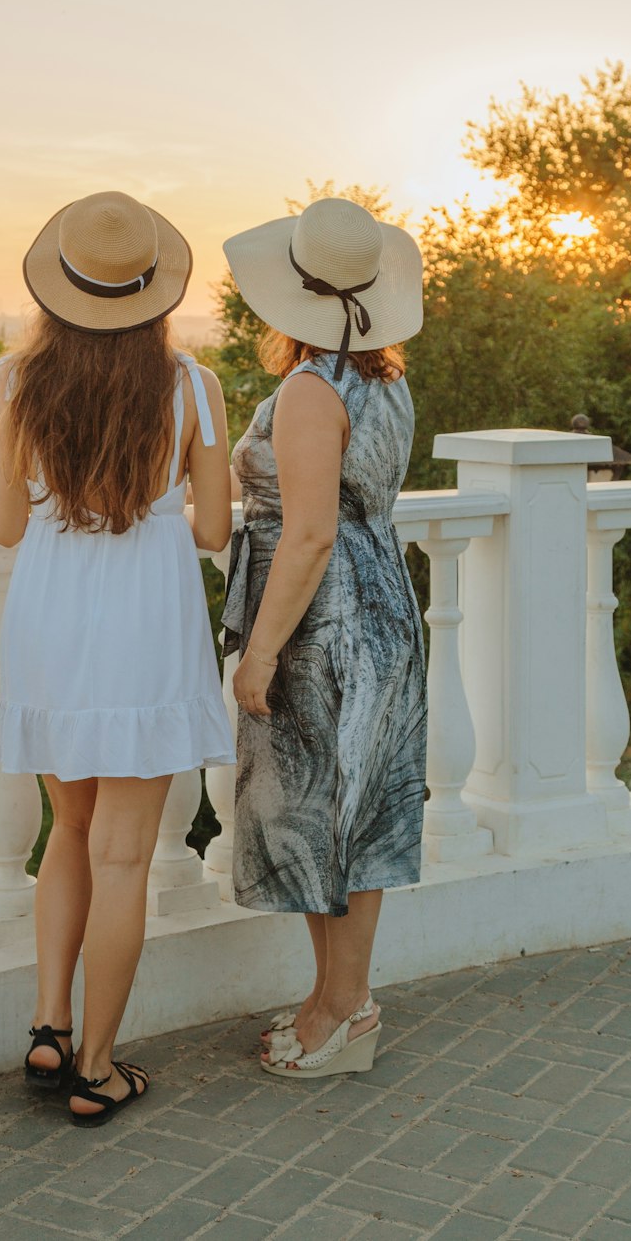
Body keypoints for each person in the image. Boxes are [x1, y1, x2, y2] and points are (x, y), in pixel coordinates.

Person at [0, 190, 233, 1125]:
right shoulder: (193, 388)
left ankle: (48, 1027)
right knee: (125, 856)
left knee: (69, 835)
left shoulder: (14, 382)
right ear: (154, 294)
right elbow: (211, 529)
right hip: (144, 631)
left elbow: (8, 526)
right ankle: (97, 1067)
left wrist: (27, 496)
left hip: (54, 625)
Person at [221, 195, 426, 1079]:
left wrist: (260, 651)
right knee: (357, 820)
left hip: (326, 630)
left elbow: (307, 535)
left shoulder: (308, 391)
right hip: (386, 616)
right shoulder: (385, 380)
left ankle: (340, 1015)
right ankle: (338, 1001)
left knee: (317, 818)